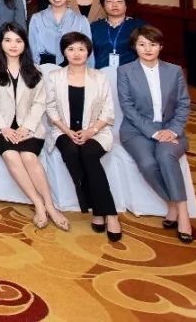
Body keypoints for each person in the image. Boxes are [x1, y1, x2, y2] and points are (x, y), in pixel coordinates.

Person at [0, 23, 71, 231]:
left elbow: (40, 103)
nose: (13, 45)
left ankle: (51, 206)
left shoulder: (36, 70)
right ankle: (38, 204)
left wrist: (27, 127)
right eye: (8, 40)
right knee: (11, 154)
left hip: (29, 127)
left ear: (25, 44)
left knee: (29, 157)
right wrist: (4, 128)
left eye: (18, 41)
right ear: (1, 43)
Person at [117, 25, 194, 243]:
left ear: (161, 46)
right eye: (142, 44)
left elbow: (183, 104)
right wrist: (154, 132)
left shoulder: (174, 71)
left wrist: (172, 130)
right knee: (148, 163)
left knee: (166, 156)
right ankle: (172, 204)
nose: (148, 49)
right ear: (134, 47)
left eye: (153, 44)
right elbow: (128, 108)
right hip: (136, 130)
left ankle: (182, 212)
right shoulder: (125, 71)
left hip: (171, 128)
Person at [45, 32, 122, 241]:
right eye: (71, 49)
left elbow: (108, 112)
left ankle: (107, 213)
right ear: (64, 52)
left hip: (96, 130)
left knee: (88, 154)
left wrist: (90, 132)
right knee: (71, 152)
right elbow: (50, 108)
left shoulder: (99, 77)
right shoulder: (55, 77)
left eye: (81, 48)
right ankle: (102, 210)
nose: (76, 53)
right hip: (64, 130)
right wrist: (66, 130)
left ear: (88, 52)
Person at [28, 0, 92, 66]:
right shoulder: (37, 18)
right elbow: (33, 47)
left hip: (74, 63)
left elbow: (88, 50)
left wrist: (88, 69)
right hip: (45, 64)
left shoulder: (81, 20)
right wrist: (37, 68)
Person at [91, 0, 147, 69]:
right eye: (109, 1)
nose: (114, 5)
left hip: (130, 72)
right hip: (100, 72)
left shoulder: (139, 25)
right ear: (103, 5)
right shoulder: (95, 27)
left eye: (119, 1)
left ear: (126, 5)